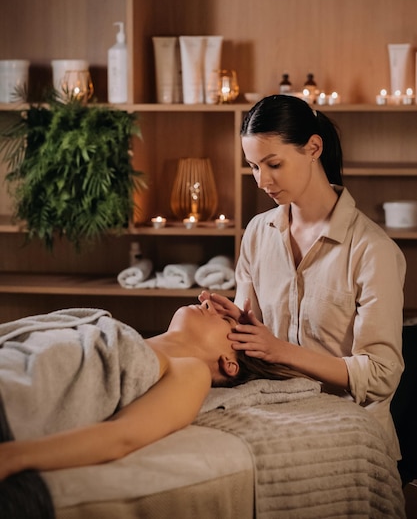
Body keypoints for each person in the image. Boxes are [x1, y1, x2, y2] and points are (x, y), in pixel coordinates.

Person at [201, 94, 406, 460]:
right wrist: (234, 324)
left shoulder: (372, 250)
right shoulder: (258, 233)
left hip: (352, 434)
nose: (262, 181)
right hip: (277, 421)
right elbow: (255, 343)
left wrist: (281, 351)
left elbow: (380, 375)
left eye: (273, 164)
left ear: (313, 148)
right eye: (253, 166)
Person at [0, 299, 297, 483]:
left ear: (230, 363)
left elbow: (122, 435)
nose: (209, 303)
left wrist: (13, 457)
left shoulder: (190, 371)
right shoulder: (128, 338)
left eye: (224, 319)